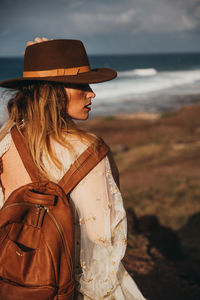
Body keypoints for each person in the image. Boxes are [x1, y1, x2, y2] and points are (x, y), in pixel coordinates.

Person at [0, 38, 146, 300]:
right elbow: (104, 241)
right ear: (52, 91)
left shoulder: (5, 144)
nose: (91, 93)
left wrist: (40, 60)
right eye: (81, 84)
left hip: (14, 283)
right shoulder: (91, 150)